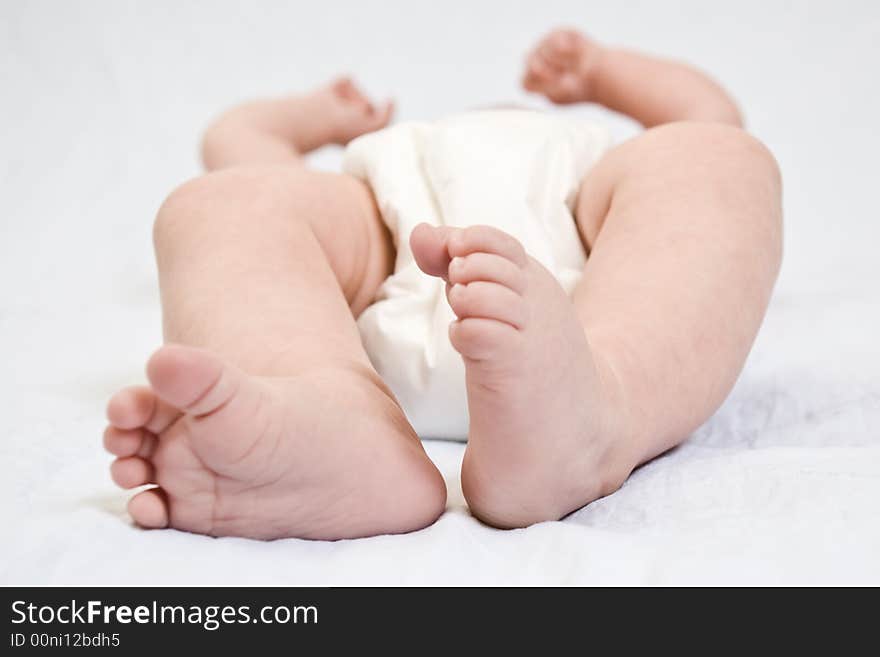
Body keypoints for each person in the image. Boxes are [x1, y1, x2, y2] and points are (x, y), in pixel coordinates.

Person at [102, 28, 782, 539]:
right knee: (224, 202)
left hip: (578, 332)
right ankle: (332, 417)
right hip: (387, 270)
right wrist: (324, 117)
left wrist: (606, 72)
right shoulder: (381, 171)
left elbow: (707, 115)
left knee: (719, 159)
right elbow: (237, 148)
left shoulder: (591, 162)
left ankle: (600, 412)